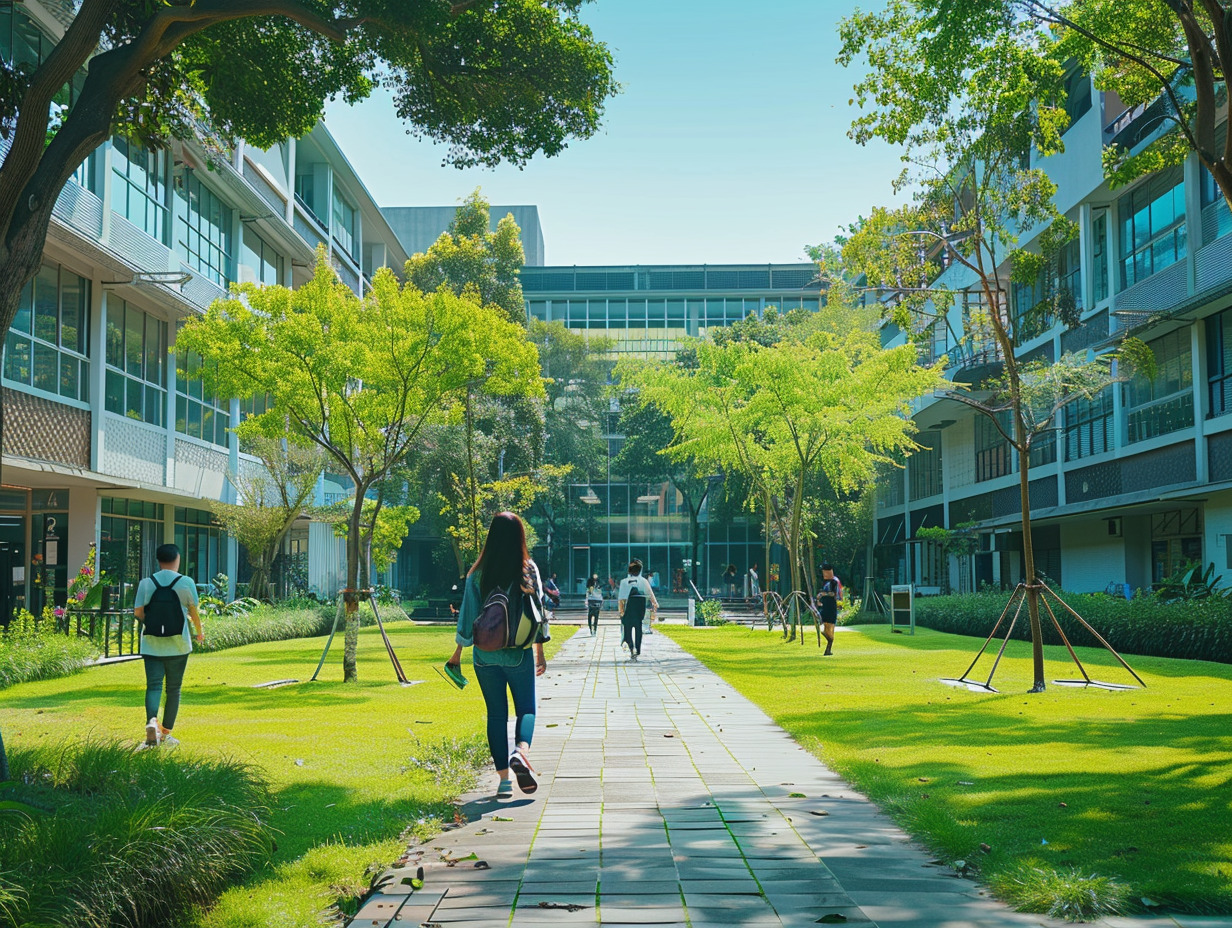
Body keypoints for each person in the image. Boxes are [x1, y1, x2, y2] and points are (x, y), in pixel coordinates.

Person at [448, 512, 550, 799]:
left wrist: (457, 654)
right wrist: (540, 651)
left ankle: (504, 783)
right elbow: (539, 613)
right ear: (520, 537)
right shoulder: (527, 569)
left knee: (496, 715)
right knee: (526, 709)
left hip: (484, 655)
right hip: (518, 653)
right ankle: (521, 751)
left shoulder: (477, 573)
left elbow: (467, 618)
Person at [133, 544, 204, 748]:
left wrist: (155, 623)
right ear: (177, 559)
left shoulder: (146, 583)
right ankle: (165, 734)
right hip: (178, 645)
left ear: (158, 560)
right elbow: (193, 612)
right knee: (173, 689)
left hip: (151, 644)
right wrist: (199, 632)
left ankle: (152, 722)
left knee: (154, 685)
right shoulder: (185, 582)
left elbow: (138, 613)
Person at [618, 558, 659, 661]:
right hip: (639, 610)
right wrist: (655, 604)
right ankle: (638, 649)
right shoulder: (643, 581)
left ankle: (631, 648)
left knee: (627, 629)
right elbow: (650, 594)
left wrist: (621, 612)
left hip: (628, 611)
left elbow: (621, 600)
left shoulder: (624, 582)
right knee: (638, 628)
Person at [815, 562, 842, 656]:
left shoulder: (834, 582)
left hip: (831, 606)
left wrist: (824, 594)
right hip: (824, 605)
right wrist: (819, 598)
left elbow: (834, 594)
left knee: (830, 629)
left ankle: (828, 649)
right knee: (826, 626)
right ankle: (828, 646)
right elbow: (822, 592)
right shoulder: (824, 582)